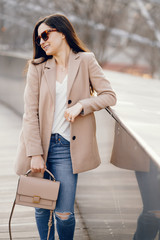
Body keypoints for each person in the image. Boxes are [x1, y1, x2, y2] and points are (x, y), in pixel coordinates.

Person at [15, 13, 117, 240]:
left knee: (64, 213)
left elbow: (109, 96)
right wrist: (35, 153)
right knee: (41, 207)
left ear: (61, 32)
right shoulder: (38, 67)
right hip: (39, 146)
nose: (41, 42)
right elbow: (30, 114)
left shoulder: (86, 60)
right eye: (38, 39)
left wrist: (83, 105)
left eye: (45, 35)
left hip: (66, 149)